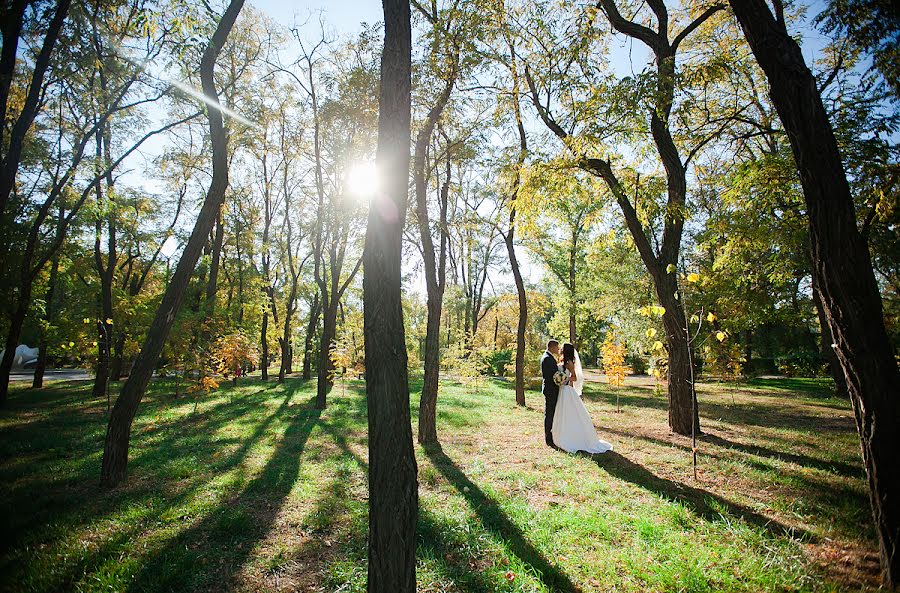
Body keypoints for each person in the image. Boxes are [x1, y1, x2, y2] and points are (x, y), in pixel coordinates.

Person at [551, 343, 613, 454]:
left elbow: (574, 378)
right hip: (561, 391)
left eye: (562, 348)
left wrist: (565, 378)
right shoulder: (561, 362)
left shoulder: (569, 363)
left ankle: (573, 438)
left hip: (567, 391)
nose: (560, 349)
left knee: (570, 414)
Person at [540, 340, 561, 448]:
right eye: (557, 347)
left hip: (550, 389)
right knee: (549, 414)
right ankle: (549, 439)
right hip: (550, 390)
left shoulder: (548, 357)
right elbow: (554, 375)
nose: (558, 350)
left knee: (551, 413)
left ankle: (551, 436)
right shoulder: (548, 358)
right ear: (552, 347)